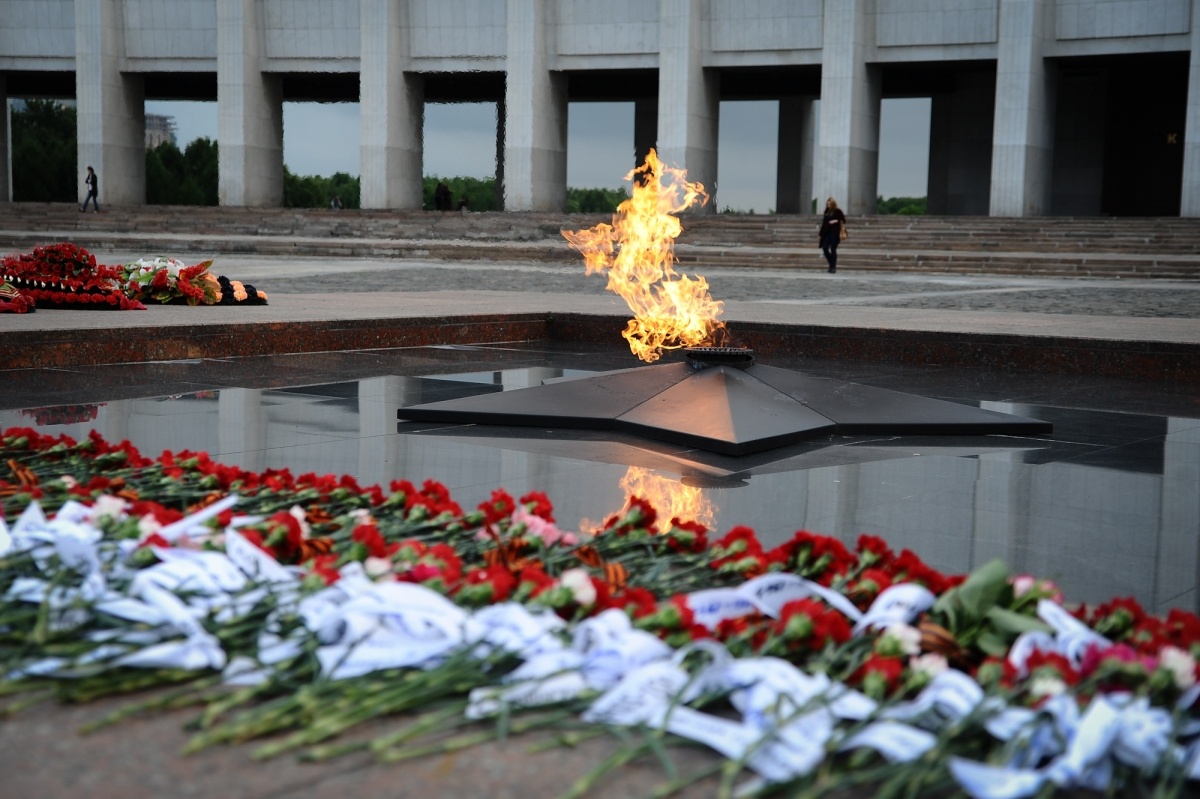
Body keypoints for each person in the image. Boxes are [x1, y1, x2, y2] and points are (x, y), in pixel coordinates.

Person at [818, 197, 846, 273]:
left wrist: (835, 221)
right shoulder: (826, 212)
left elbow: (843, 220)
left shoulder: (838, 211)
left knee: (833, 249)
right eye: (827, 203)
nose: (828, 205)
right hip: (827, 233)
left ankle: (832, 267)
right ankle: (832, 263)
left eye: (830, 204)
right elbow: (824, 223)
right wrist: (821, 233)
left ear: (833, 204)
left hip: (835, 233)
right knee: (825, 248)